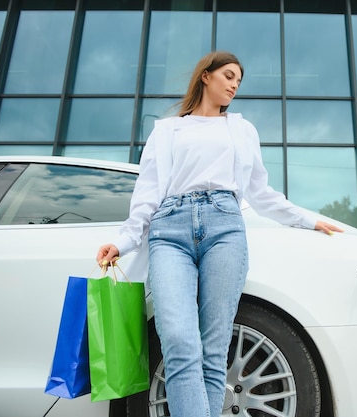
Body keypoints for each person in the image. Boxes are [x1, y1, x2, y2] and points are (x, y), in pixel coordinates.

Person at [96, 51, 343, 417]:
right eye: (228, 75)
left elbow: (261, 193)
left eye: (238, 81)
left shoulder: (241, 129)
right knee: (179, 342)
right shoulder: (167, 130)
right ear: (205, 76)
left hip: (224, 227)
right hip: (170, 231)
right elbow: (146, 194)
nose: (233, 84)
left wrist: (306, 220)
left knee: (214, 350)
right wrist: (124, 241)